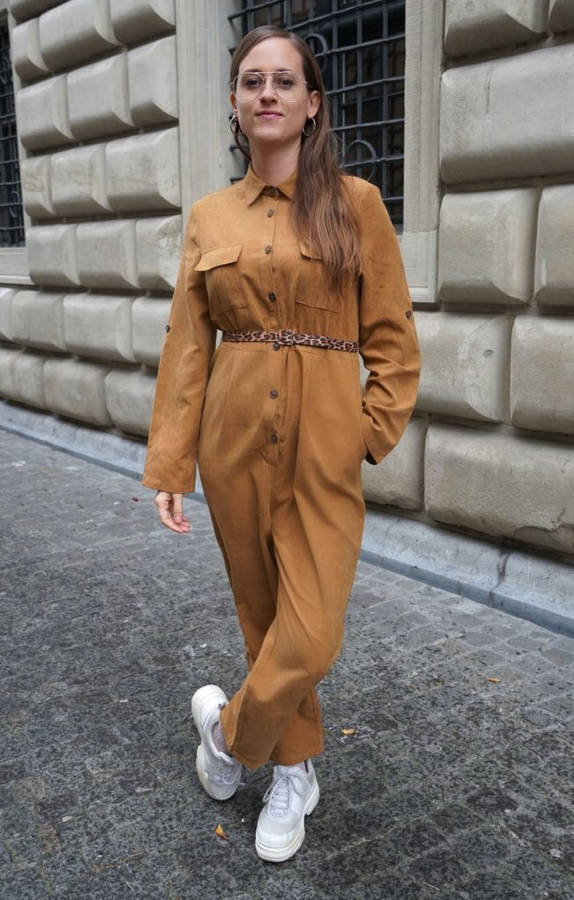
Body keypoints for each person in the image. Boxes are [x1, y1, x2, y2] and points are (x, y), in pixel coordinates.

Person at [142, 24, 420, 862]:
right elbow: (188, 348)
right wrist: (172, 462)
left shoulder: (356, 205)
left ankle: (227, 736)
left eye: (284, 81)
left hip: (322, 447)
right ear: (234, 103)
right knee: (263, 617)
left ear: (312, 104)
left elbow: (394, 340)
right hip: (231, 441)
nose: (267, 92)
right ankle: (294, 774)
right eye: (251, 80)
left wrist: (363, 433)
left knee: (312, 634)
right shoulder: (209, 216)